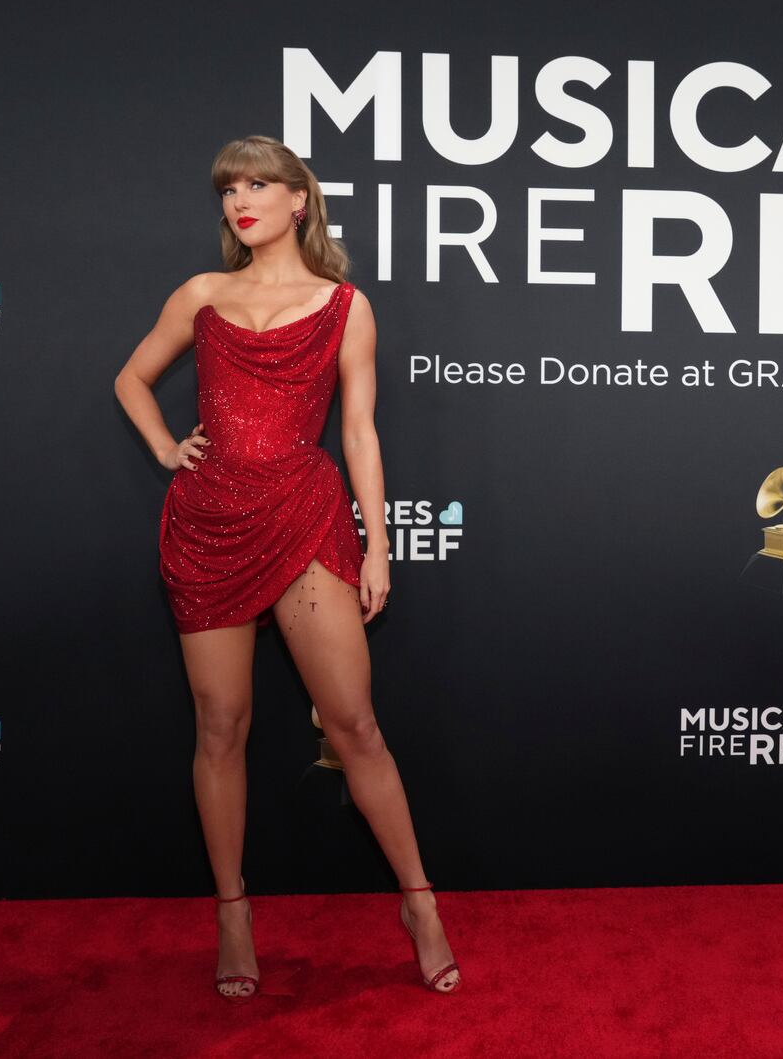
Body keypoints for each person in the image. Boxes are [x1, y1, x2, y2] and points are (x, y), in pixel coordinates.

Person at [113, 135, 461, 1001]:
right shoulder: (202, 294)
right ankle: (233, 913)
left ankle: (419, 901)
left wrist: (377, 542)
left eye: (258, 184)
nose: (240, 200)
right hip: (207, 525)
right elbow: (131, 376)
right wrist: (166, 446)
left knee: (355, 726)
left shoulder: (346, 305)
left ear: (299, 200)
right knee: (220, 727)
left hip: (304, 518)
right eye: (229, 187)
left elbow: (359, 431)